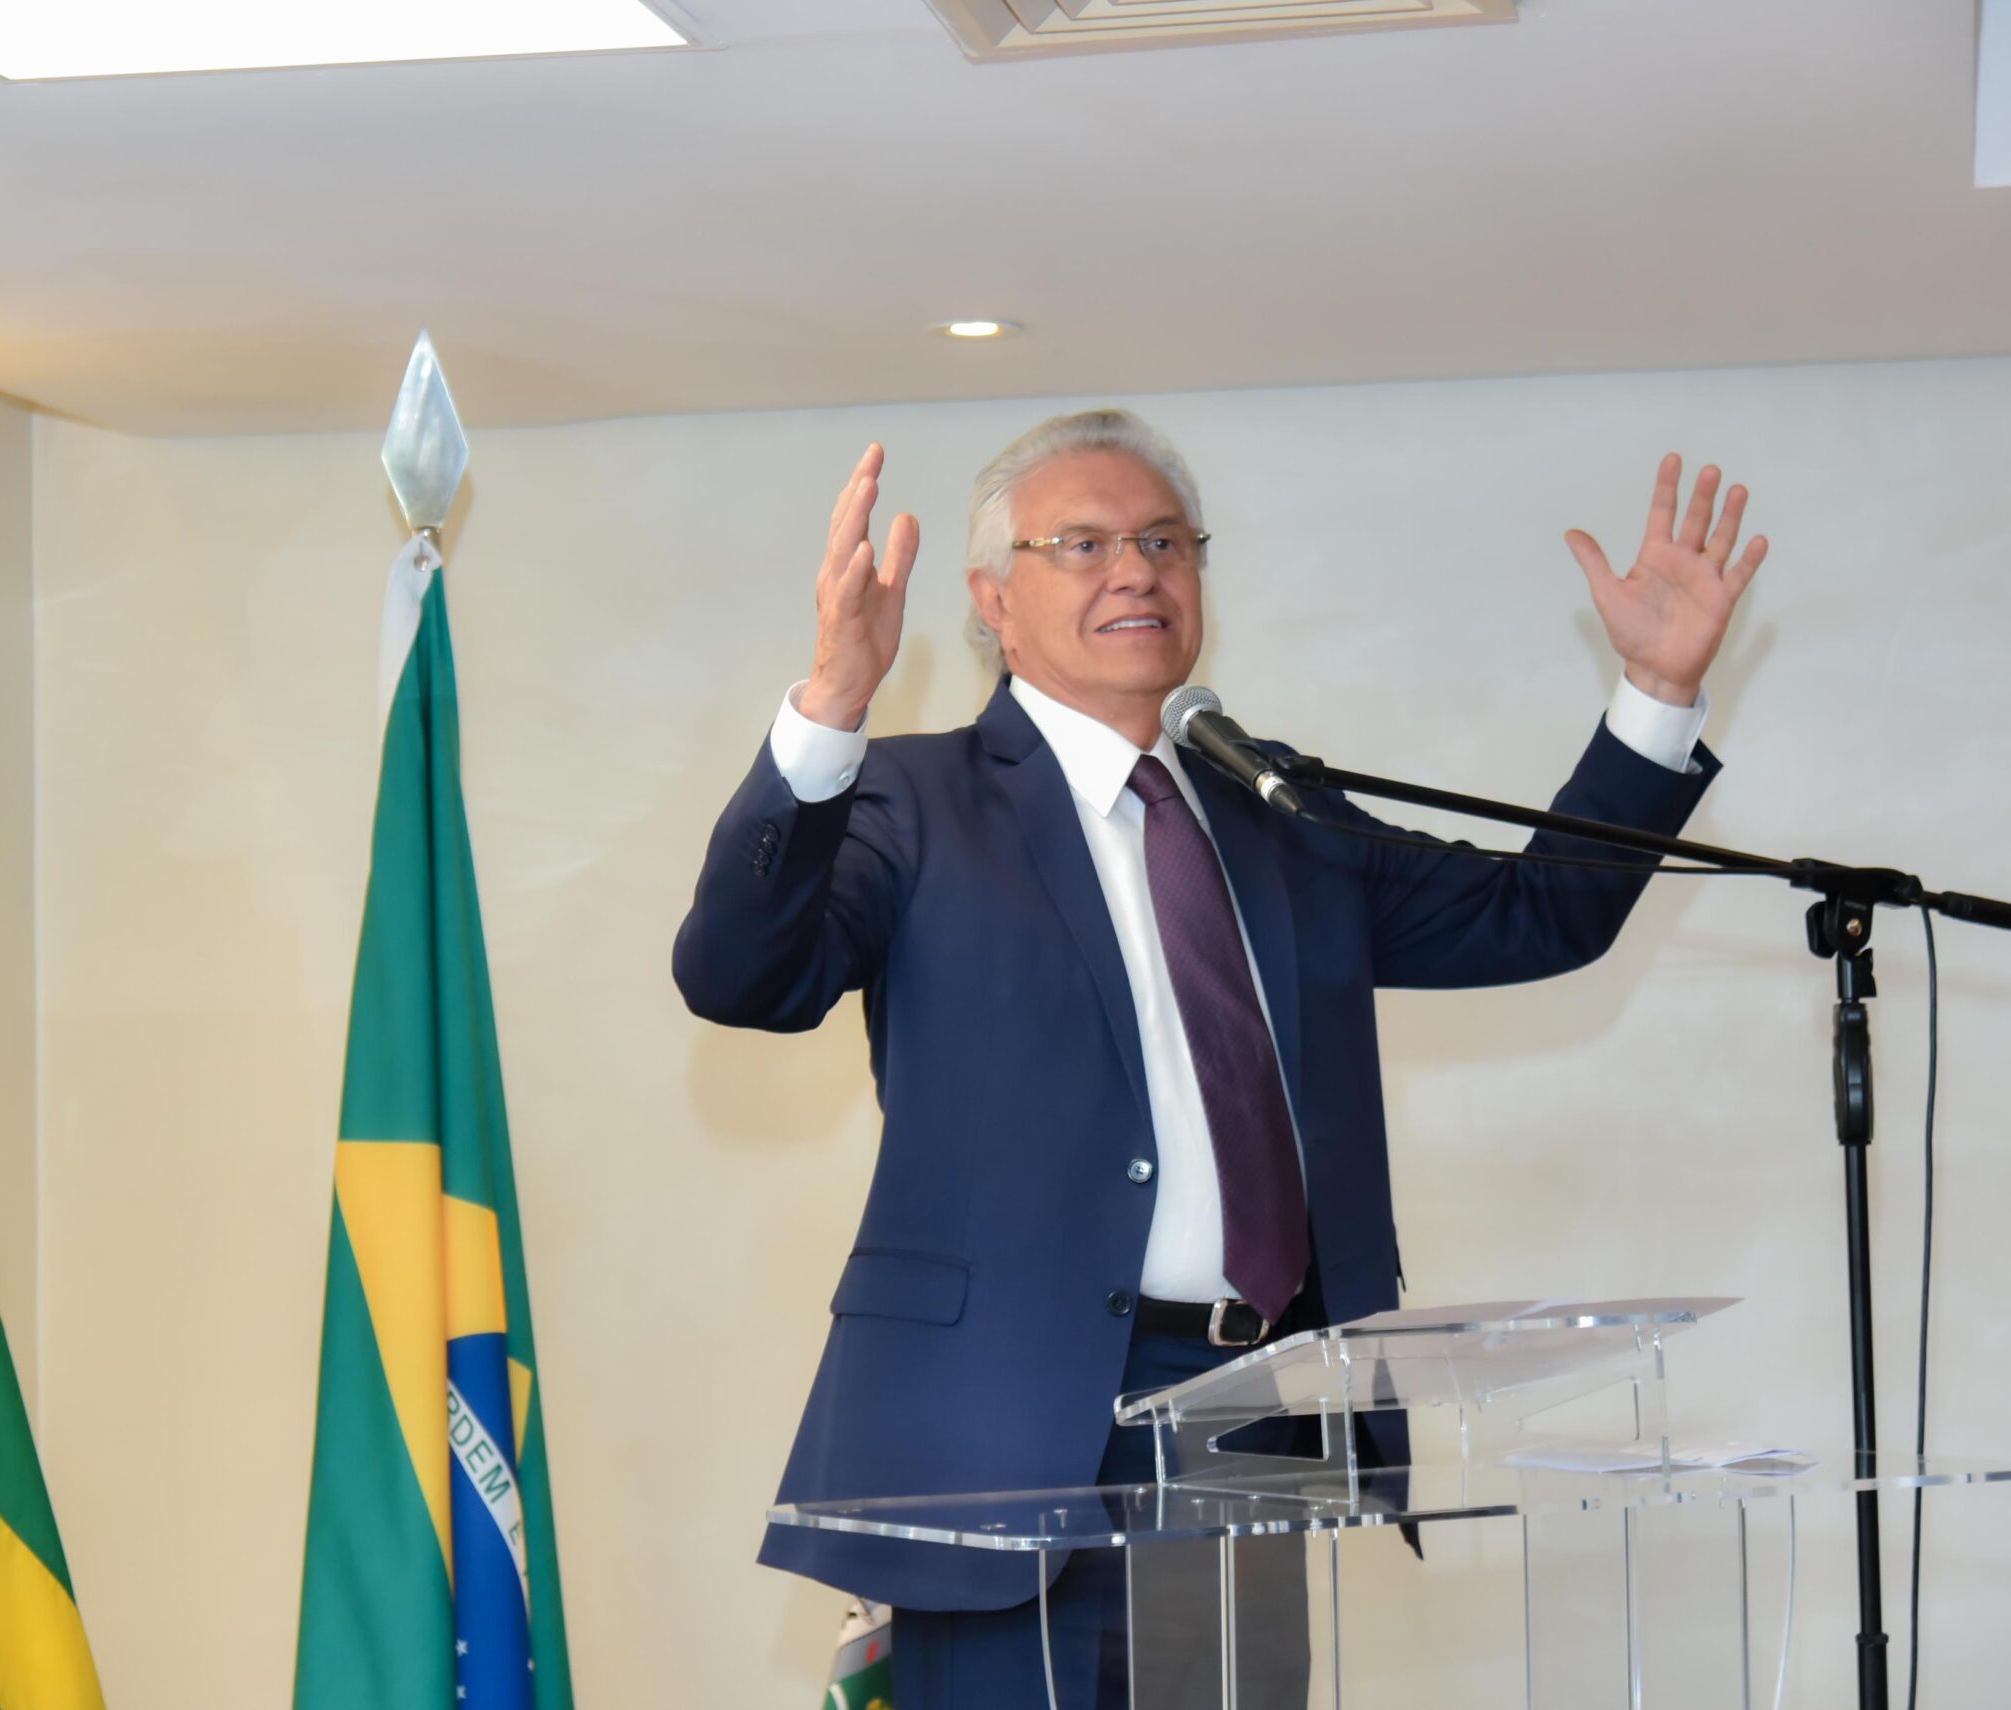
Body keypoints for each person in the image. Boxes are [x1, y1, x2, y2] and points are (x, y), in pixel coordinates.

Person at [673, 409, 1766, 1706]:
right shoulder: (913, 800)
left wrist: (1656, 695)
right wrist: (830, 709)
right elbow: (740, 976)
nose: (1134, 570)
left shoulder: (1275, 812)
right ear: (993, 600)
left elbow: (1539, 916)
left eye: (1164, 541)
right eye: (1083, 545)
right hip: (1003, 1428)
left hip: (1255, 1404)